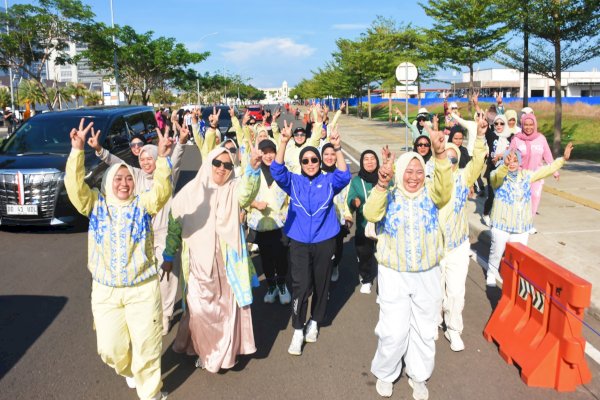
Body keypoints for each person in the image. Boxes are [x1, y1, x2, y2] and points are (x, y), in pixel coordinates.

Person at [65, 118, 172, 400]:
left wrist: (162, 158)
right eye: (118, 178)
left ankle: (151, 392)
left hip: (143, 288)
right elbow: (75, 189)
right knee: (110, 348)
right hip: (106, 290)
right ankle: (128, 371)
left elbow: (161, 191)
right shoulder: (96, 205)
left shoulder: (142, 204)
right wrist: (77, 152)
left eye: (128, 178)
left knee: (148, 346)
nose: (124, 183)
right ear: (107, 182)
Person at [364, 129, 451, 400]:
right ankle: (386, 373)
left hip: (427, 273)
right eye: (408, 171)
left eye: (418, 172)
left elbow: (445, 188)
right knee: (393, 330)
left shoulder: (432, 196)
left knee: (425, 330)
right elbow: (369, 213)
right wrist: (380, 186)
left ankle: (419, 375)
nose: (413, 177)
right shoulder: (389, 194)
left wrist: (438, 153)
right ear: (399, 172)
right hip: (394, 274)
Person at [161, 144, 263, 373]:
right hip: (198, 263)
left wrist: (254, 169)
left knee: (226, 312)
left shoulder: (233, 188)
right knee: (199, 310)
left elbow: (247, 192)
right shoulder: (189, 192)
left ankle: (219, 355)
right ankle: (205, 349)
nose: (222, 169)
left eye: (227, 165)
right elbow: (174, 228)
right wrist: (169, 255)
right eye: (217, 163)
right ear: (208, 163)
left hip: (226, 263)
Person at [90, 125, 188, 336]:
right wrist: (99, 149)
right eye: (142, 159)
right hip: (142, 236)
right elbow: (117, 164)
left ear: (156, 159)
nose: (145, 162)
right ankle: (149, 312)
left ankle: (165, 315)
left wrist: (180, 141)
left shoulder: (167, 173)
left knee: (167, 277)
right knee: (147, 279)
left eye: (149, 158)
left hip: (165, 234)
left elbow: (177, 157)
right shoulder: (136, 175)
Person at [271, 121, 351, 356]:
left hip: (325, 241)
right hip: (298, 242)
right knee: (300, 285)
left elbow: (344, 176)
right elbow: (277, 171)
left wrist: (337, 149)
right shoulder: (293, 181)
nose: (310, 164)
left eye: (314, 160)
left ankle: (314, 322)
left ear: (319, 162)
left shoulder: (328, 181)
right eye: (305, 161)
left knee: (321, 284)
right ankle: (297, 329)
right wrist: (283, 142)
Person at [486, 143, 573, 286]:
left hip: (521, 226)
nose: (512, 163)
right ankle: (491, 273)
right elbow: (495, 178)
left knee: (517, 258)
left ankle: (512, 279)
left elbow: (546, 170)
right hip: (501, 224)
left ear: (519, 162)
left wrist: (562, 159)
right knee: (497, 251)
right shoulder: (497, 175)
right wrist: (504, 166)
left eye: (515, 160)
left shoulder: (526, 176)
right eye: (509, 160)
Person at [438, 115, 488, 352]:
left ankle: (454, 329)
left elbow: (478, 161)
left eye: (453, 156)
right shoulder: (431, 178)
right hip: (434, 247)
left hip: (457, 245)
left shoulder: (463, 176)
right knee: (436, 291)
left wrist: (479, 136)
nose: (450, 159)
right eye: (445, 156)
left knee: (456, 292)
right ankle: (434, 321)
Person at [247, 139, 291, 304]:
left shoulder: (283, 172)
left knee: (281, 258)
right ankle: (271, 286)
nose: (268, 155)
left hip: (280, 225)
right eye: (264, 152)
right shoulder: (252, 172)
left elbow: (290, 197)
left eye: (271, 151)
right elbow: (243, 196)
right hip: (261, 225)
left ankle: (282, 285)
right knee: (266, 258)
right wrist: (255, 204)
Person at [509, 113, 557, 234]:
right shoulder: (516, 139)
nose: (528, 127)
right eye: (526, 124)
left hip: (536, 175)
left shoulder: (541, 139)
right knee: (520, 200)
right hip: (520, 175)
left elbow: (548, 155)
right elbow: (509, 155)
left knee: (535, 198)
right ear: (522, 125)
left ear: (535, 125)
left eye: (531, 124)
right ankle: (518, 222)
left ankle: (529, 223)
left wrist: (554, 170)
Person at [347, 149, 380, 293]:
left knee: (384, 256)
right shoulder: (356, 180)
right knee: (364, 254)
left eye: (372, 158)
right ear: (361, 162)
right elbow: (350, 197)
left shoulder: (383, 177)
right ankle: (366, 278)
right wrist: (354, 202)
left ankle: (383, 286)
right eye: (366, 159)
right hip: (363, 225)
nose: (369, 162)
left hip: (382, 225)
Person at [321, 143, 353, 283]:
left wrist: (348, 214)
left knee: (337, 248)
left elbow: (347, 196)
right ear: (321, 156)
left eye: (333, 154)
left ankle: (335, 266)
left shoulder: (342, 174)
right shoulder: (316, 173)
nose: (329, 157)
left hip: (338, 219)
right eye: (326, 154)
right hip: (321, 221)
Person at [482, 113, 513, 227]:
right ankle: (486, 214)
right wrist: (477, 107)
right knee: (492, 195)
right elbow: (483, 125)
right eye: (496, 123)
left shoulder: (511, 136)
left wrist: (501, 155)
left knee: (504, 195)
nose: (499, 126)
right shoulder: (491, 135)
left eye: (501, 123)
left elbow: (515, 151)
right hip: (493, 170)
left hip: (506, 170)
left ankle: (500, 217)